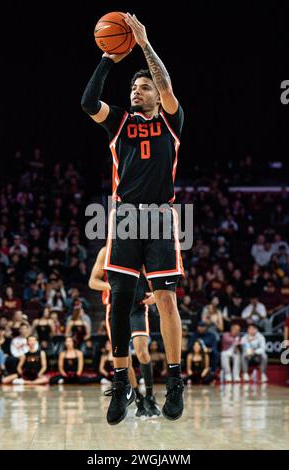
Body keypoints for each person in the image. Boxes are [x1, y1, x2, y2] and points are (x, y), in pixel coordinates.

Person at [82, 12, 184, 424]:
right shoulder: (119, 123)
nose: (137, 91)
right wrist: (109, 57)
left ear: (157, 96)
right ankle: (121, 381)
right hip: (124, 216)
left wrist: (142, 43)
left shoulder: (171, 121)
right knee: (119, 300)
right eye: (134, 87)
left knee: (165, 299)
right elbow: (88, 103)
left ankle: (174, 382)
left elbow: (166, 85)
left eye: (144, 87)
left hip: (160, 217)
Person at [89, 246, 160, 418]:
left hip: (137, 306)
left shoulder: (141, 250)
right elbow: (93, 282)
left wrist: (156, 296)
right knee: (123, 357)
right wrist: (110, 285)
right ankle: (137, 398)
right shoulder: (106, 252)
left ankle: (150, 396)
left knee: (142, 351)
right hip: (115, 307)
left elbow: (157, 282)